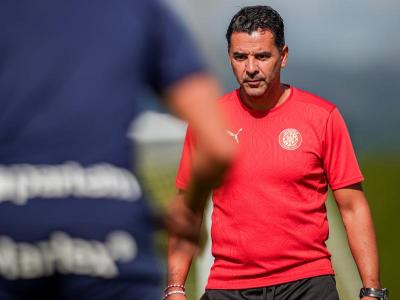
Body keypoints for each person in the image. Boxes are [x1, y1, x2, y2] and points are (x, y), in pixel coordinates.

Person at [0, 1, 234, 300]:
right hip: (108, 225)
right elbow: (218, 145)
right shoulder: (138, 10)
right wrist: (188, 209)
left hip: (10, 215)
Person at [167, 5, 388, 300]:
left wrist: (372, 290)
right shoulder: (208, 122)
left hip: (308, 284)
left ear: (283, 57)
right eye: (240, 57)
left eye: (262, 56)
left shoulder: (322, 117)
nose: (251, 68)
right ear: (230, 57)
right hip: (228, 287)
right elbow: (189, 211)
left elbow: (353, 207)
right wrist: (175, 289)